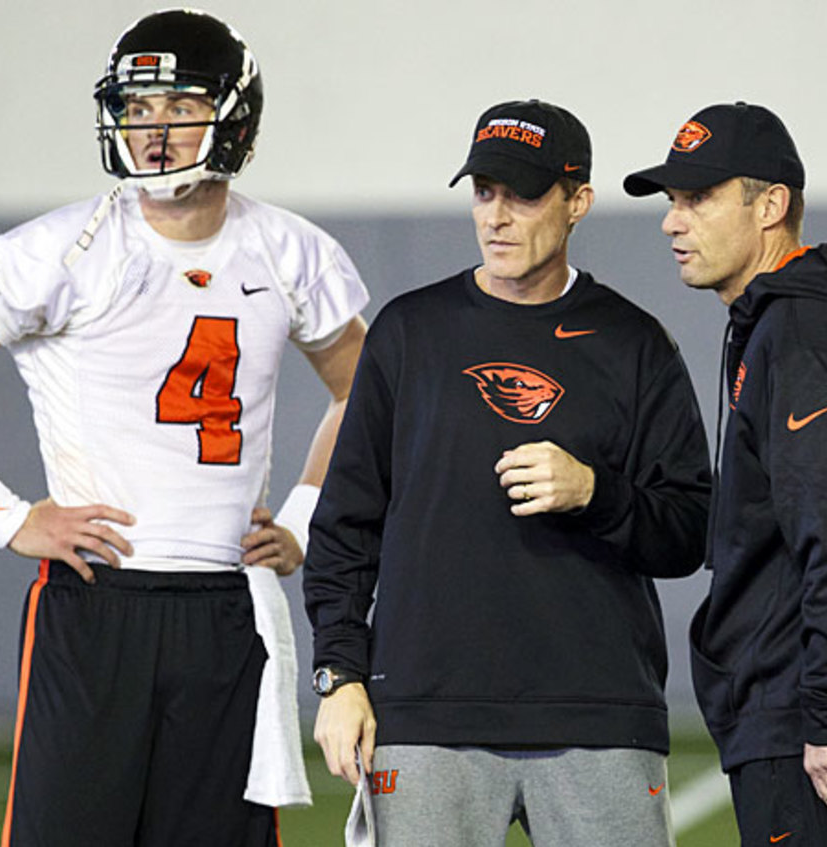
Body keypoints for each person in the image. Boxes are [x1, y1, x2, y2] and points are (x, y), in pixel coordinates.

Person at [0, 9, 369, 846]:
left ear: (233, 117)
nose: (153, 132)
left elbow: (368, 396)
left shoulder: (289, 250)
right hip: (99, 604)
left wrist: (307, 516)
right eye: (136, 111)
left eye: (177, 107)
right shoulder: (65, 248)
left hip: (226, 609)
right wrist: (7, 515)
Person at [304, 99, 711, 847]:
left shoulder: (634, 344)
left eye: (523, 195)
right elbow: (344, 529)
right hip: (426, 717)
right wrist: (339, 673)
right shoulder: (408, 332)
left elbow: (691, 530)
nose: (497, 216)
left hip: (598, 715)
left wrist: (595, 491)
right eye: (484, 192)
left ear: (577, 201)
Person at [623, 101, 827, 846]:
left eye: (697, 198)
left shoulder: (800, 332)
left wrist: (822, 713)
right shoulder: (809, 322)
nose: (672, 222)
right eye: (671, 201)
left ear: (770, 206)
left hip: (819, 734)